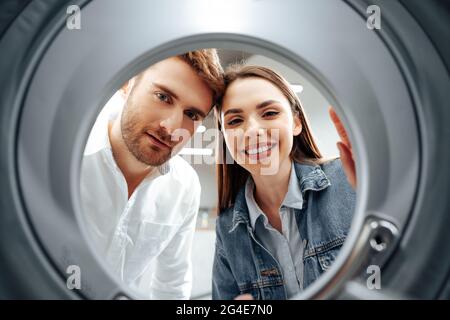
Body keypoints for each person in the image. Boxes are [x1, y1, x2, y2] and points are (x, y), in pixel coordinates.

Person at [80, 50, 224, 299]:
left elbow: (172, 285)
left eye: (191, 115)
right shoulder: (66, 154)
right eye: (163, 97)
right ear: (127, 83)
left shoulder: (184, 186)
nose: (171, 128)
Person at [212, 65, 356, 300]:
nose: (252, 131)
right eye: (235, 121)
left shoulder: (349, 180)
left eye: (269, 113)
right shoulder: (227, 228)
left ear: (296, 123)